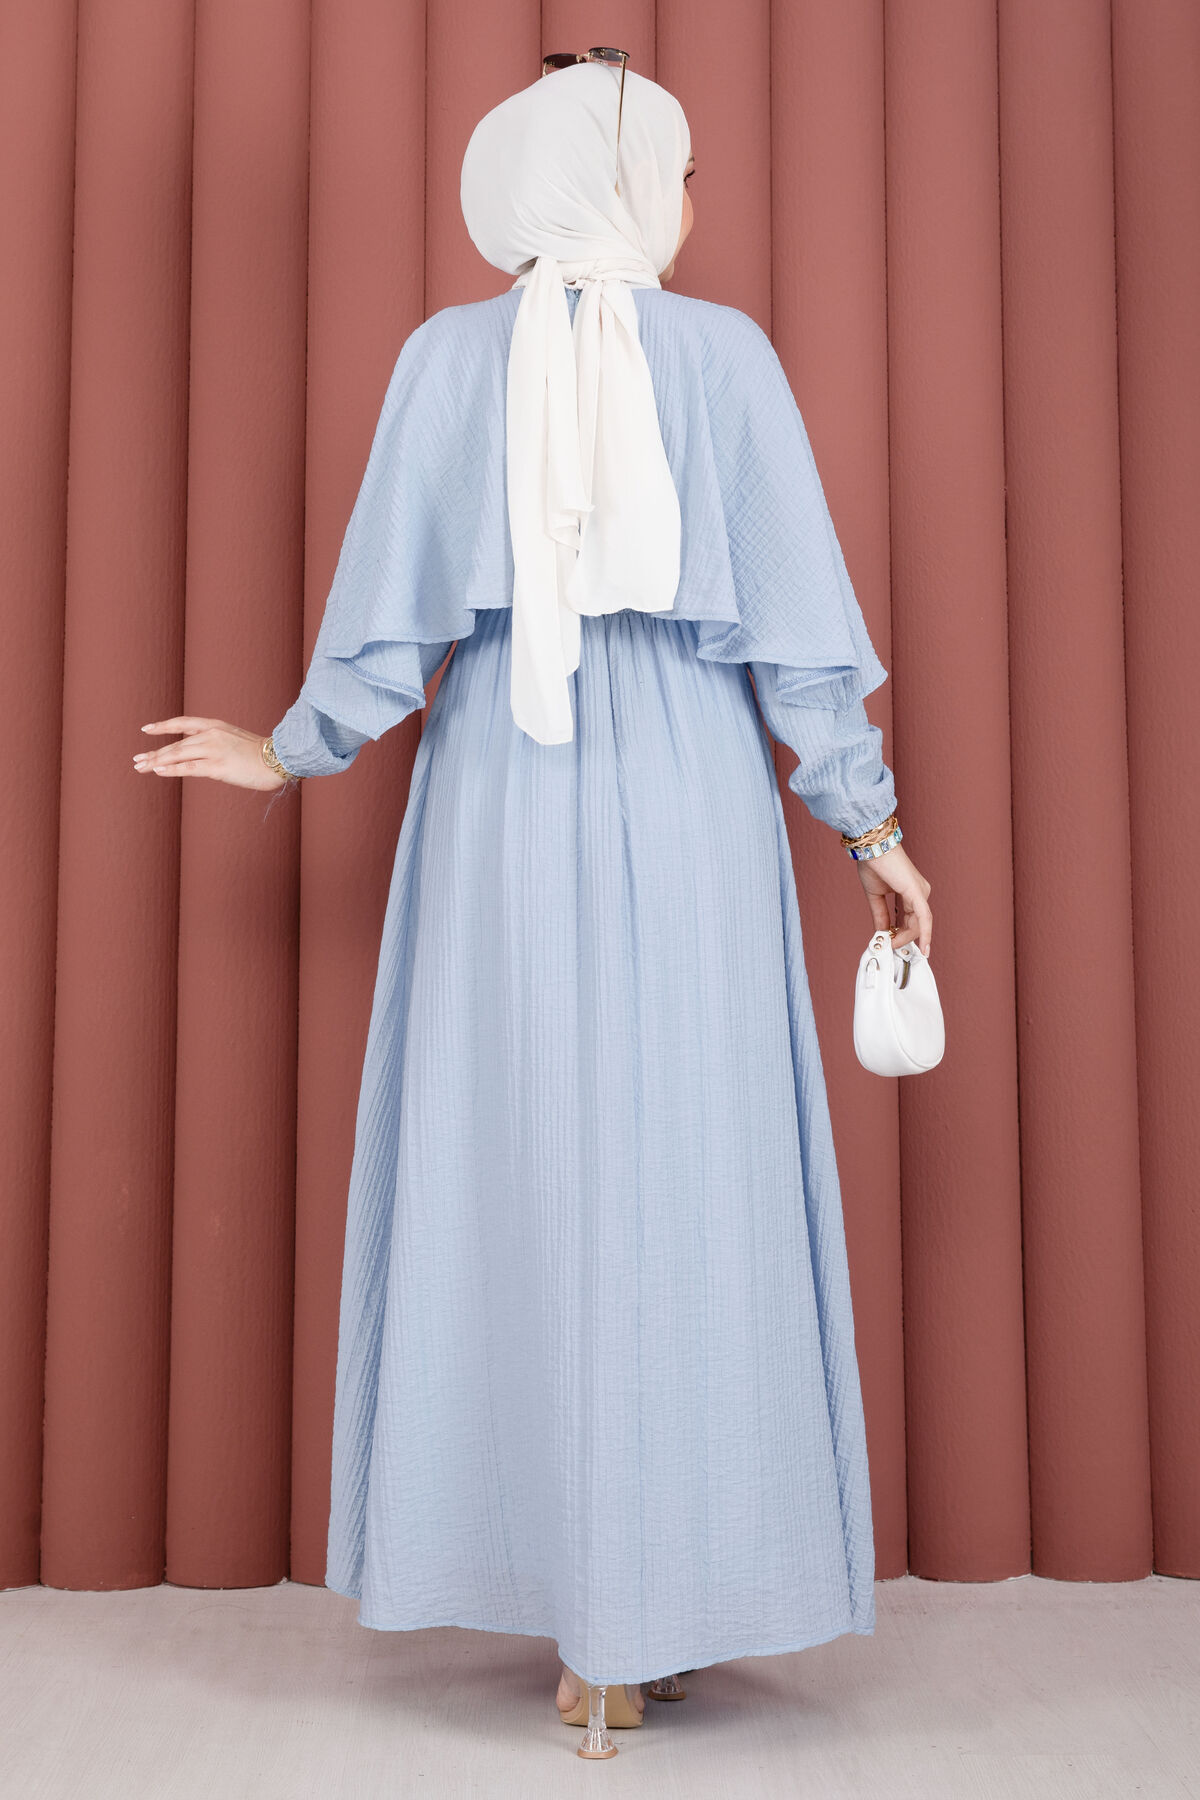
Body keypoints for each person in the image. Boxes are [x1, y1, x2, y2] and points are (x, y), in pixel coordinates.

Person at [133, 57, 932, 1762]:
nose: (694, 206)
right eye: (679, 175)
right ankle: (645, 1607)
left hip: (502, 788)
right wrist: (869, 825)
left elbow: (389, 612)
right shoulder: (725, 358)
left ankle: (596, 1619)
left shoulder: (449, 359)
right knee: (684, 1171)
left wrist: (293, 749)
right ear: (626, 185)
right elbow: (797, 630)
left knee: (522, 1162)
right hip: (689, 794)